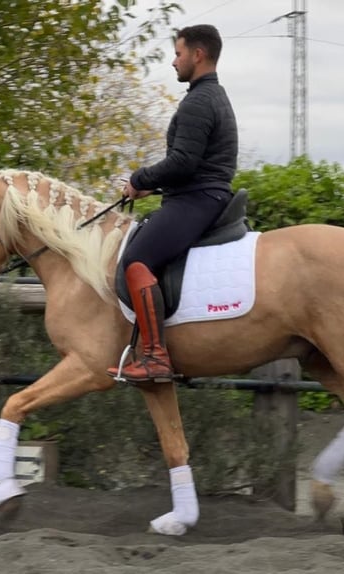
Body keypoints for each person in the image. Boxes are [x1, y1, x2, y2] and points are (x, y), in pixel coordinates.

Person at [107, 24, 238, 383]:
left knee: (136, 260)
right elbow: (194, 166)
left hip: (199, 200)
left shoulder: (199, 101)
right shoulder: (211, 96)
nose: (173, 61)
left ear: (198, 55)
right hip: (200, 195)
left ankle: (155, 356)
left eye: (178, 53)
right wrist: (155, 190)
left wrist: (139, 179)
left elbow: (183, 162)